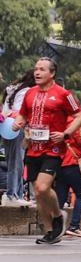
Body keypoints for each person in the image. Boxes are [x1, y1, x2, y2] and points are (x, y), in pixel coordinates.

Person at [12, 57, 81, 244]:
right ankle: (50, 231)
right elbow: (23, 114)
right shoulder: (29, 94)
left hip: (53, 148)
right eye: (36, 69)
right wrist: (19, 122)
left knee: (42, 187)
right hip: (32, 148)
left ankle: (58, 214)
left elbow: (79, 115)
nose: (37, 72)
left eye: (42, 69)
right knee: (38, 193)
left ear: (52, 73)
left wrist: (66, 133)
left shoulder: (63, 94)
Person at [2, 69, 33, 205]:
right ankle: (12, 195)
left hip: (6, 127)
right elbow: (19, 112)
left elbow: (5, 110)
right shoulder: (27, 91)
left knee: (13, 162)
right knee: (16, 162)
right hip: (16, 126)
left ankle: (16, 195)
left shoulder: (12, 88)